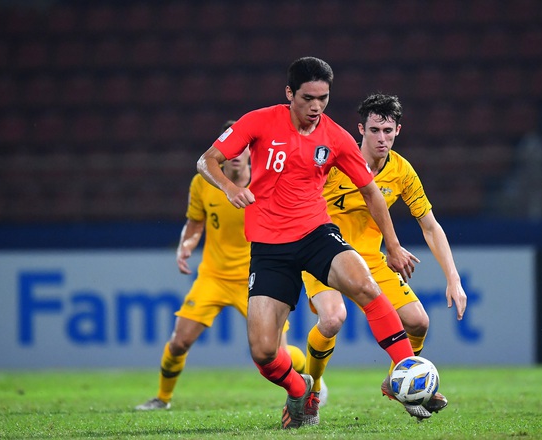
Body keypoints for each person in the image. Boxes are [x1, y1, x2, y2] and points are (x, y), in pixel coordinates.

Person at [196, 57, 421, 429]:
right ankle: (299, 388)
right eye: (308, 98)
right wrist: (232, 188)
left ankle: (408, 372)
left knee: (365, 285)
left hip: (316, 232)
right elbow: (207, 161)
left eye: (324, 98)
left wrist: (393, 246)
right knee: (264, 351)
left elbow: (371, 191)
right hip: (269, 246)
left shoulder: (335, 136)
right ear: (290, 94)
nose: (316, 107)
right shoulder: (258, 121)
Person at [301, 93, 468, 425]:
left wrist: (454, 278)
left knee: (419, 321)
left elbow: (430, 226)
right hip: (324, 254)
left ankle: (398, 381)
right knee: (333, 320)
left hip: (370, 260)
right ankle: (312, 389)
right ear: (360, 129)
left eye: (388, 131)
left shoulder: (401, 171)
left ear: (398, 131)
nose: (382, 138)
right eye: (375, 130)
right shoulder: (337, 163)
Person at [135, 120, 309, 411]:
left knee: (276, 354)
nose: (239, 153)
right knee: (179, 342)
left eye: (245, 147)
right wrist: (186, 245)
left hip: (255, 278)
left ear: (253, 151)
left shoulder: (268, 182)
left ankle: (309, 379)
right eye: (233, 147)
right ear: (223, 151)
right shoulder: (202, 183)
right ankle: (162, 398)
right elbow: (195, 222)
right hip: (213, 276)